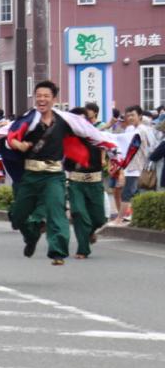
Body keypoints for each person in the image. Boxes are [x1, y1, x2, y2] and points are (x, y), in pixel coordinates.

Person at [6, 80, 116, 265]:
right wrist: (19, 144)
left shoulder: (65, 120)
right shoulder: (28, 119)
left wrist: (114, 151)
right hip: (31, 175)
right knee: (18, 217)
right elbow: (11, 136)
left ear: (54, 99)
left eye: (46, 96)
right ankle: (31, 236)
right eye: (39, 96)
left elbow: (91, 134)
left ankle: (58, 251)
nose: (42, 99)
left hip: (54, 175)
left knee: (56, 210)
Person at [65, 106, 106, 259]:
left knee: (99, 218)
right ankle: (83, 249)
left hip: (95, 181)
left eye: (83, 119)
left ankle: (89, 233)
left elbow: (112, 148)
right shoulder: (67, 139)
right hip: (76, 183)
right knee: (80, 214)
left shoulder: (96, 136)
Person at [112, 105, 156, 224]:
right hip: (132, 166)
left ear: (140, 116)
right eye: (128, 115)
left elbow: (151, 147)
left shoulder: (142, 130)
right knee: (134, 194)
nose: (130, 117)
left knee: (127, 193)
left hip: (136, 167)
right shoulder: (133, 129)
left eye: (133, 115)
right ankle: (135, 217)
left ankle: (119, 218)